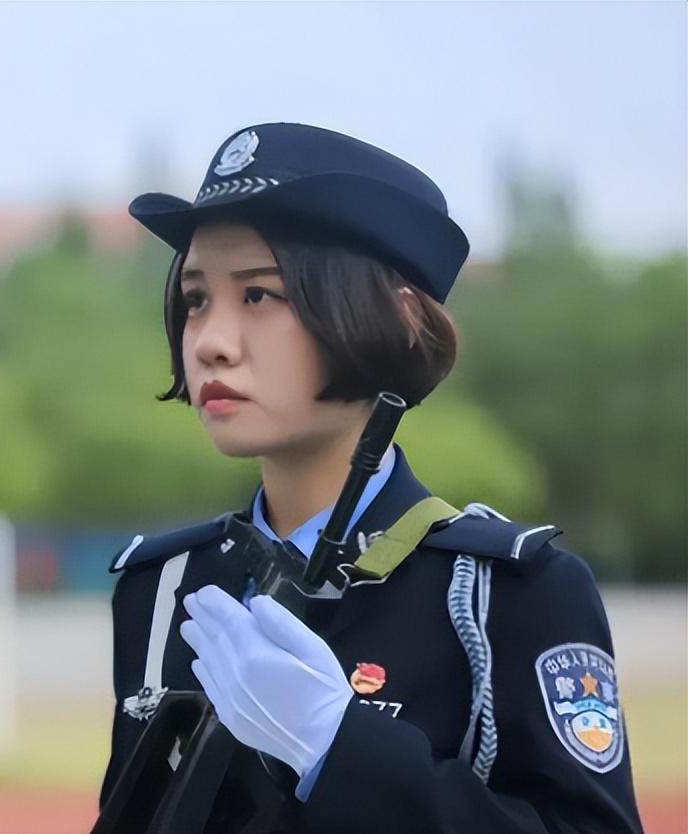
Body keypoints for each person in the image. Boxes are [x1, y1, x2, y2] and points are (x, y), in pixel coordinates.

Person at [100, 124, 641, 833]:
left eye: (259, 295)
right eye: (196, 299)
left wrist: (337, 746)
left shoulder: (507, 594)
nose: (210, 343)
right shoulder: (164, 586)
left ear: (392, 317)